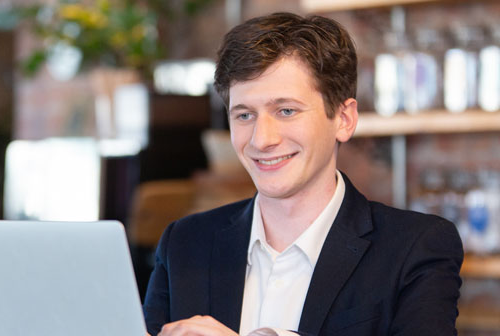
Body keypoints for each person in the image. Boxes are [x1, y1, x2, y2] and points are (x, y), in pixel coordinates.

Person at [143, 12, 463, 336]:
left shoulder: (415, 248)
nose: (261, 139)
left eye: (286, 111)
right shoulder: (184, 243)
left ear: (343, 119)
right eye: (244, 115)